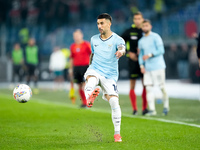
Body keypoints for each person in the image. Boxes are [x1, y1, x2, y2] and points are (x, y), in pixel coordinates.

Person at [84, 13, 125, 142]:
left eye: (102, 23)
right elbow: (93, 54)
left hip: (110, 75)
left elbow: (122, 48)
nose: (99, 26)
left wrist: (120, 52)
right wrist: (90, 69)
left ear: (109, 23)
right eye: (98, 24)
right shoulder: (94, 39)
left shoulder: (118, 39)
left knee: (114, 102)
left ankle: (117, 134)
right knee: (91, 79)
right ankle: (89, 97)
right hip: (95, 69)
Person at [138, 19, 169, 116]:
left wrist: (150, 55)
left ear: (150, 27)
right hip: (148, 68)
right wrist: (142, 65)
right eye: (143, 26)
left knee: (162, 87)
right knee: (148, 88)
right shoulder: (141, 41)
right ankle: (152, 110)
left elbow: (161, 50)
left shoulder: (156, 37)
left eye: (147, 25)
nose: (145, 27)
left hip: (158, 66)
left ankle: (166, 107)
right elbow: (141, 55)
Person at [121, 12, 148, 115]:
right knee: (132, 85)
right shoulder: (129, 31)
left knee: (145, 84)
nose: (137, 20)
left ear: (142, 19)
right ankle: (135, 109)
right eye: (136, 19)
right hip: (132, 61)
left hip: (144, 62)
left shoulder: (145, 31)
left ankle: (144, 108)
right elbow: (120, 43)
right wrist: (128, 53)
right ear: (133, 20)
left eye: (139, 18)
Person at [69, 29, 91, 107]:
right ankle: (84, 102)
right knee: (79, 85)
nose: (76, 37)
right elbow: (71, 58)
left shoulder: (86, 44)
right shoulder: (73, 46)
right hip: (76, 67)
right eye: (75, 36)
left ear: (81, 36)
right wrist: (70, 69)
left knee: (85, 84)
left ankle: (87, 101)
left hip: (85, 67)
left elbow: (91, 54)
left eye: (77, 35)